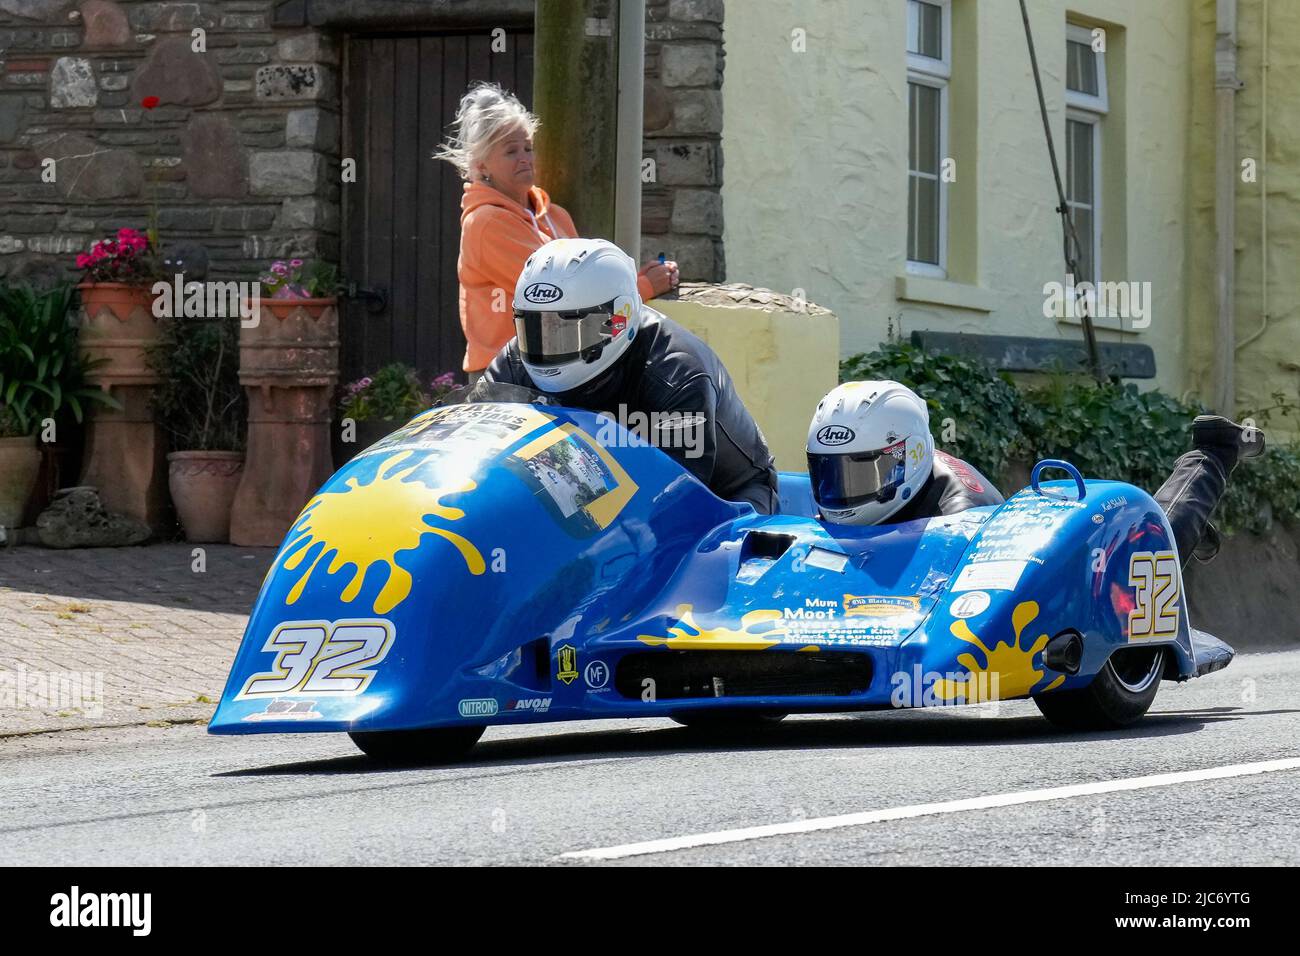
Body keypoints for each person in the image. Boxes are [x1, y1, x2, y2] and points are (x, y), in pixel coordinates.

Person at [805, 380, 1264, 568]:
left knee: (1144, 553)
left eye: (862, 474)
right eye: (830, 474)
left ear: (910, 455)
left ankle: (1212, 454)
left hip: (1020, 561)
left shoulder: (962, 513)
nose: (842, 492)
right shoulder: (890, 473)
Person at [478, 236, 780, 514]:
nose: (548, 343)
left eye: (566, 329)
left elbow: (673, 505)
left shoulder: (677, 373)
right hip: (589, 495)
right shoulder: (516, 360)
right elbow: (470, 438)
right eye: (537, 327)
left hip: (726, 502)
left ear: (617, 321)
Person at [435, 82, 678, 382]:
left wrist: (637, 283)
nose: (525, 157)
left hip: (559, 365)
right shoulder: (486, 223)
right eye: (511, 151)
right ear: (482, 165)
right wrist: (643, 288)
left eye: (528, 147)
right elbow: (562, 298)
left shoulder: (555, 214)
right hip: (508, 375)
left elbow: (590, 291)